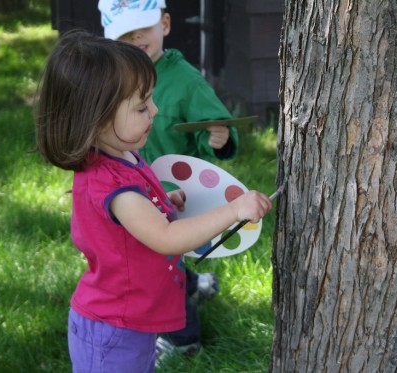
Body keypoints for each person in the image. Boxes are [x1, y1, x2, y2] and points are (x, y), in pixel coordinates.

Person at [34, 30, 272, 372]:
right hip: (113, 332)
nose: (156, 111)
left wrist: (163, 202)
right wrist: (234, 210)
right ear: (97, 117)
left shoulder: (123, 154)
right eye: (142, 105)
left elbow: (137, 216)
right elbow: (166, 238)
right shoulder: (113, 185)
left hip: (131, 321)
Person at [97, 0, 239, 357]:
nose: (136, 37)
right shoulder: (117, 77)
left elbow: (217, 127)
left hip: (177, 189)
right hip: (135, 183)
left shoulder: (186, 79)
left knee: (161, 258)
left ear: (165, 23)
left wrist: (219, 139)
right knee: (160, 254)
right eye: (124, 34)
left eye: (143, 27)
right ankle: (195, 285)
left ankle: (183, 338)